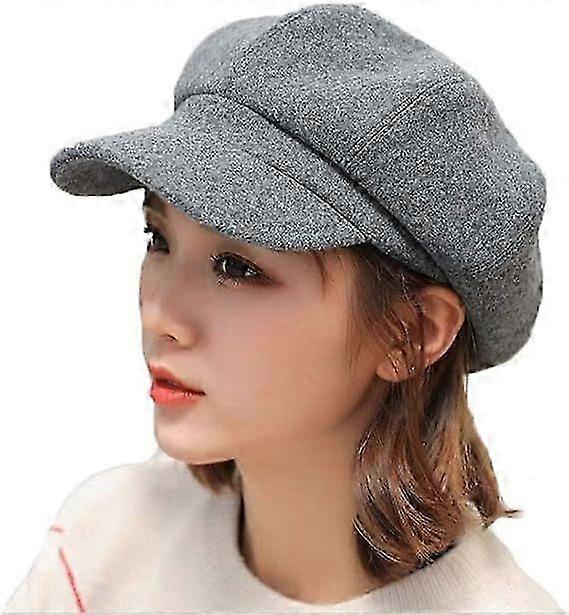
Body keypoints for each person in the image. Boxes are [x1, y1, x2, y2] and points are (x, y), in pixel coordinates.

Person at [4, 3, 563, 613]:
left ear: (411, 332)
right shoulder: (99, 550)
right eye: (159, 239)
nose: (161, 314)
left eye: (238, 268)